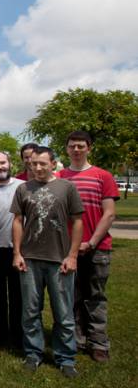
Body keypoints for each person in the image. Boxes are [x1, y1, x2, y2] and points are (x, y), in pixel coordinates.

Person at [11, 146, 84, 378]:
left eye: (43, 163)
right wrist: (17, 253)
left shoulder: (67, 188)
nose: (38, 168)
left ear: (53, 163)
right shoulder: (23, 189)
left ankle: (66, 358)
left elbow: (78, 222)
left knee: (63, 312)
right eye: (33, 164)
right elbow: (17, 221)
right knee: (30, 311)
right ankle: (33, 353)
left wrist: (72, 256)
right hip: (30, 260)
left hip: (59, 260)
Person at [58, 130, 118, 363]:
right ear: (66, 149)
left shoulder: (103, 176)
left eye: (81, 146)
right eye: (72, 146)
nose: (76, 150)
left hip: (97, 247)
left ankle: (98, 343)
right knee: (70, 297)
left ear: (89, 148)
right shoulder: (60, 176)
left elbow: (109, 213)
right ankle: (75, 339)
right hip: (66, 249)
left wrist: (91, 242)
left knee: (95, 297)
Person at [0, 152, 24, 348]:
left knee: (18, 295)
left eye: (2, 163)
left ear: (9, 164)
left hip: (18, 249)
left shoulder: (22, 186)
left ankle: (18, 335)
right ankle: (0, 334)